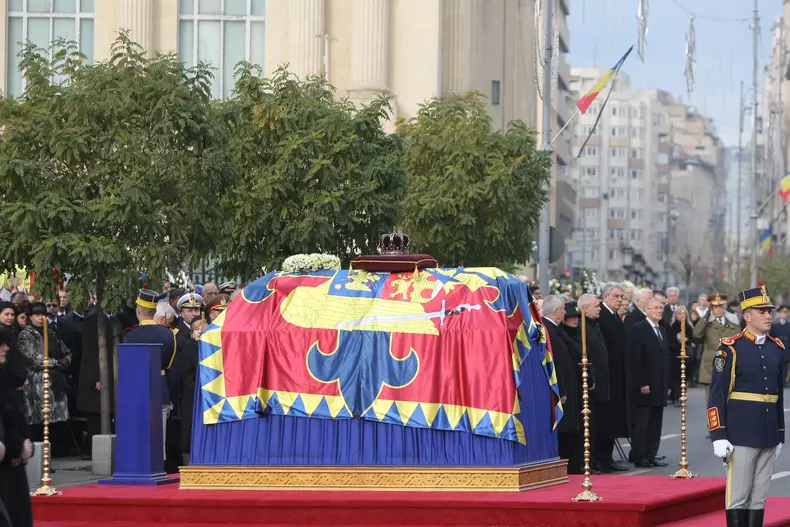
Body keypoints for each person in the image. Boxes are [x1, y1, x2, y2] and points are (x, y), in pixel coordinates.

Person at [708, 281, 784, 527]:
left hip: (768, 433)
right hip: (741, 433)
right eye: (762, 311)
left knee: (759, 497)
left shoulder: (776, 348)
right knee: (738, 496)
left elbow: (777, 396)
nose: (768, 315)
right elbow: (717, 395)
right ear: (747, 316)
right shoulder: (730, 348)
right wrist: (718, 434)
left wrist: (780, 433)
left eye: (769, 311)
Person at [123, 290, 177, 465]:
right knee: (159, 437)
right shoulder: (169, 335)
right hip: (159, 388)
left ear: (138, 310)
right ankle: (159, 467)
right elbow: (168, 364)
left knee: (137, 435)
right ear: (154, 311)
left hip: (136, 391)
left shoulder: (129, 335)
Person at [627, 298, 670, 468]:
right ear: (646, 310)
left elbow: (665, 358)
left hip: (659, 383)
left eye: (661, 307)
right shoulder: (638, 329)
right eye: (655, 308)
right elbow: (635, 359)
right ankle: (639, 455)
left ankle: (651, 453)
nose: (659, 310)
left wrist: (667, 384)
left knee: (655, 422)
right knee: (643, 422)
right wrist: (642, 382)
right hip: (645, 384)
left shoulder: (661, 329)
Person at [541, 295, 582, 474]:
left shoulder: (556, 329)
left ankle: (572, 465)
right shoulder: (547, 329)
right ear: (556, 311)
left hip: (568, 385)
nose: (565, 313)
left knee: (570, 430)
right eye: (563, 309)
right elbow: (555, 363)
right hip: (560, 389)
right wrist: (561, 391)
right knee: (564, 430)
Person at [592, 283, 630, 472]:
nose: (620, 300)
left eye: (621, 297)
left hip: (616, 375)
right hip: (607, 374)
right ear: (606, 296)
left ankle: (607, 457)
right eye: (616, 296)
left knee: (613, 418)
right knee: (606, 419)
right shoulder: (602, 316)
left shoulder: (614, 316)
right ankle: (602, 458)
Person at [0, 330, 33, 527]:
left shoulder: (5, 377)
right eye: (1, 345)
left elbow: (14, 414)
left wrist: (24, 442)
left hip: (13, 460)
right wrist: (16, 444)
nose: (6, 348)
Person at [693, 294, 739, 409]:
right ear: (711, 308)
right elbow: (696, 334)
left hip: (729, 365)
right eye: (714, 307)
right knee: (712, 401)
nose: (718, 309)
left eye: (720, 306)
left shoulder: (733, 321)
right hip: (710, 366)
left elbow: (739, 340)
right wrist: (706, 316)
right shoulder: (707, 322)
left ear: (725, 306)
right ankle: (713, 420)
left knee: (729, 400)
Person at [770, 305, 790, 388]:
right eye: (782, 312)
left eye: (786, 312)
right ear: (779, 313)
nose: (784, 314)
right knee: (776, 366)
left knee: (785, 367)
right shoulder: (774, 325)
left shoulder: (789, 325)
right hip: (777, 349)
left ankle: (785, 382)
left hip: (787, 349)